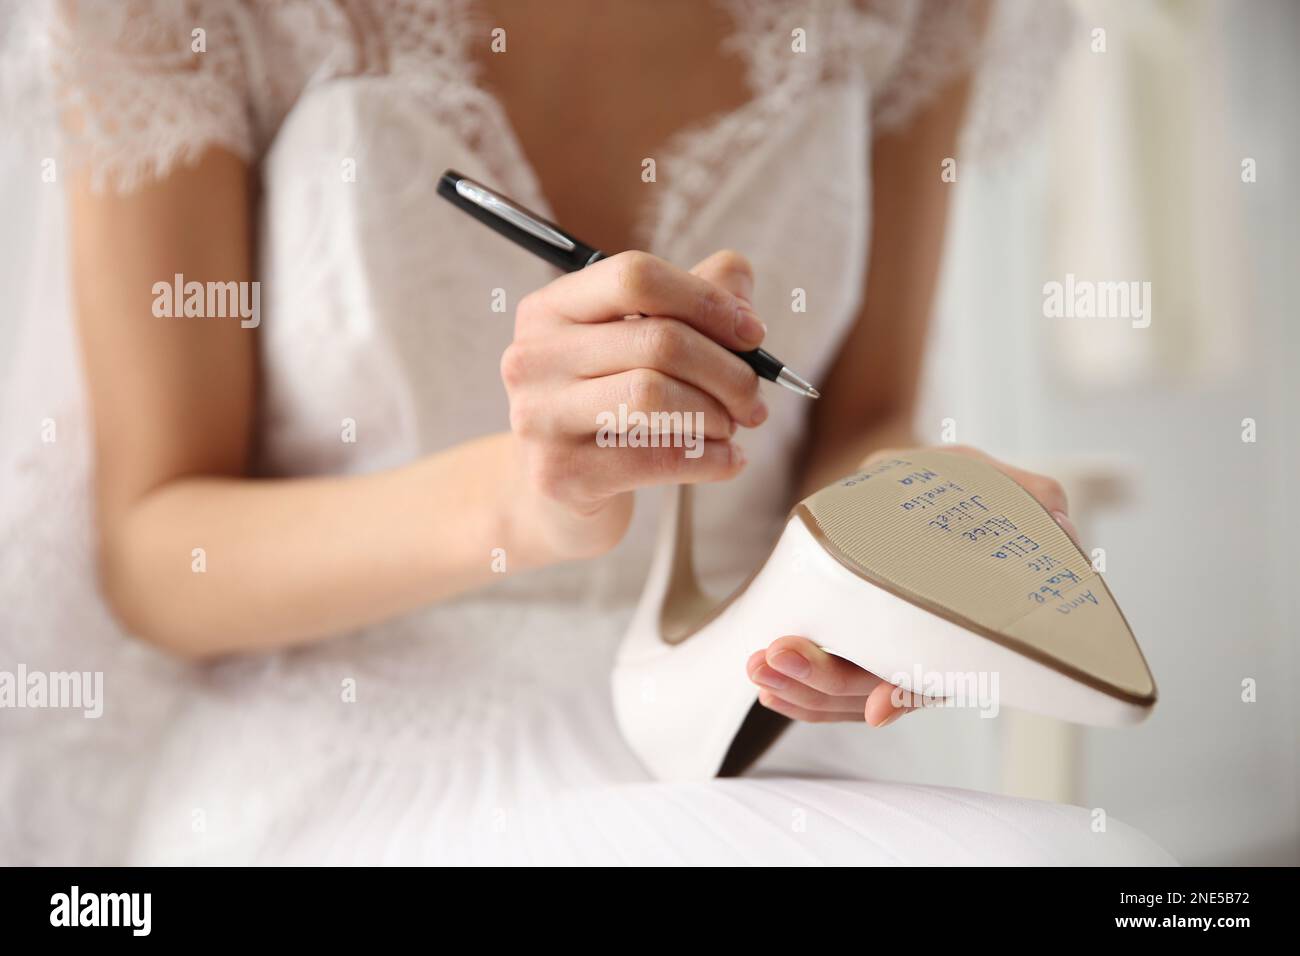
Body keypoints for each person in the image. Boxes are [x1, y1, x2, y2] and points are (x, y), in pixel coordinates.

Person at [0, 0, 1173, 864]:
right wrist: (522, 501)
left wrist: (903, 536)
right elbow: (158, 554)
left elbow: (861, 417)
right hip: (357, 747)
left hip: (755, 726)